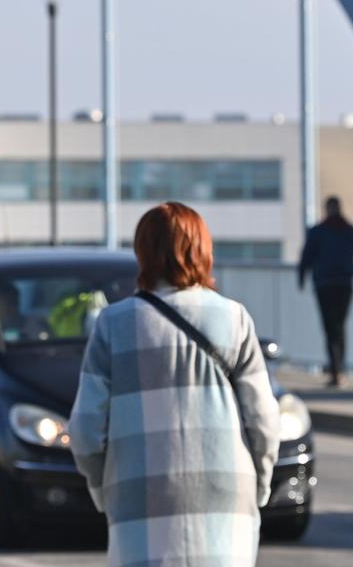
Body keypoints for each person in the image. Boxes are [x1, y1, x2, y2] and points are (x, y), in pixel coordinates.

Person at [69, 202, 280, 565]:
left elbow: (86, 430)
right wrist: (258, 485)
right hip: (226, 497)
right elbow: (263, 420)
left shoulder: (113, 325)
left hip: (139, 498)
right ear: (202, 249)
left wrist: (104, 489)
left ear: (143, 253)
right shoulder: (235, 319)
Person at [297, 195, 353, 387]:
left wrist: (301, 277)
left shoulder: (318, 231)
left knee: (331, 328)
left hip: (325, 284)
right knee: (339, 328)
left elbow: (306, 256)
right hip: (344, 283)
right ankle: (339, 370)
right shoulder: (349, 230)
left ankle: (336, 371)